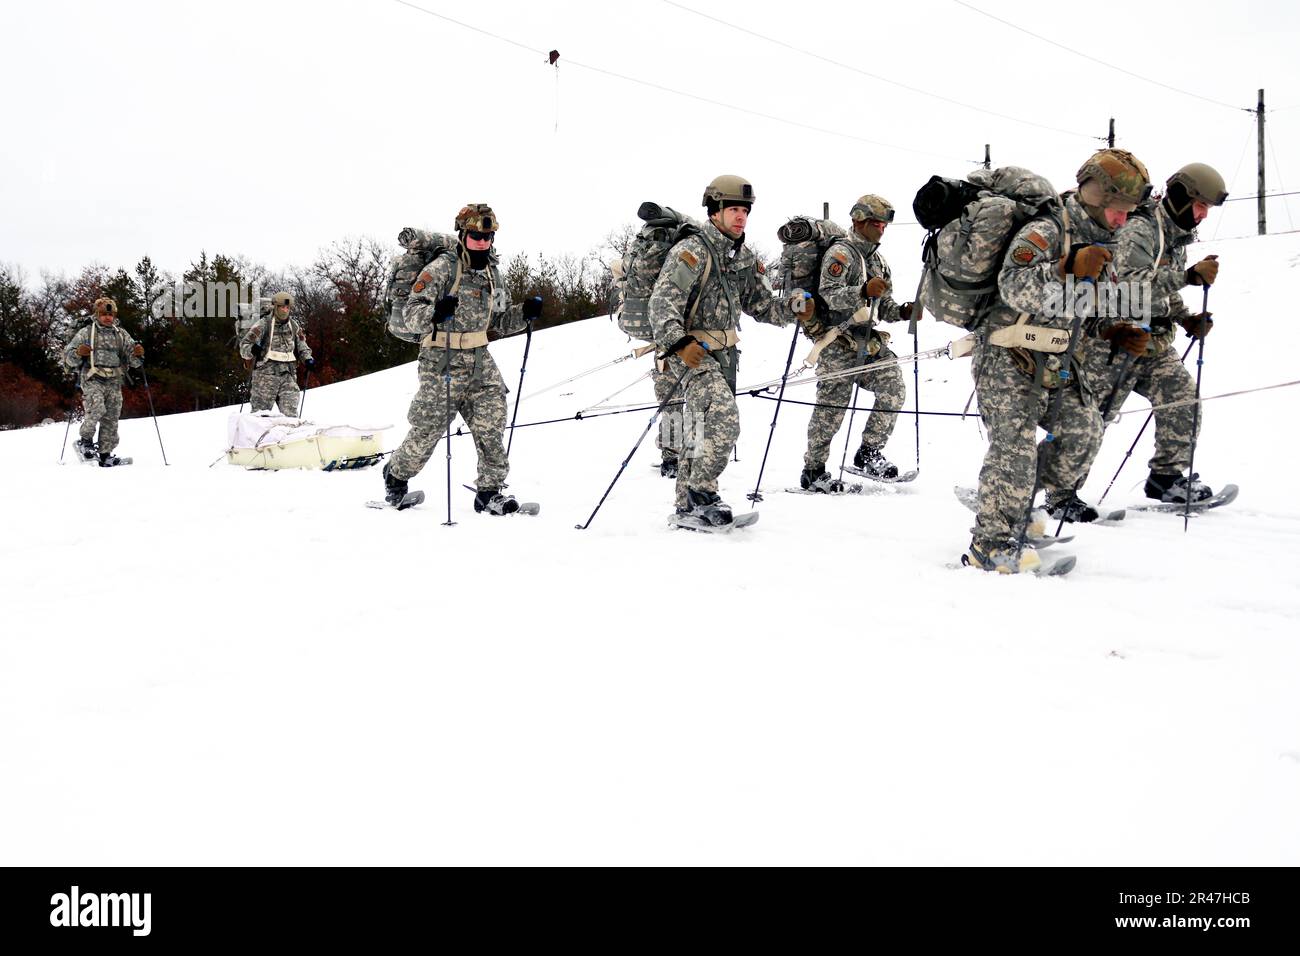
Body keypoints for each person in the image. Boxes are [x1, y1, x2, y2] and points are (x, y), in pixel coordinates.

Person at [968, 149, 1151, 571]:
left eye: (1128, 212)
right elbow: (1013, 287)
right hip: (1007, 352)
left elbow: (1093, 303)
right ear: (1094, 197)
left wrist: (1114, 329)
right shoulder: (1048, 229)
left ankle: (1010, 502)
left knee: (1084, 432)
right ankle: (990, 545)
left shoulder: (1106, 242)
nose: (1124, 219)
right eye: (1117, 210)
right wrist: (1063, 267)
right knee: (1013, 450)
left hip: (1057, 358)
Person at [1053, 162, 1227, 517]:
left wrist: (1185, 316)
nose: (1203, 215)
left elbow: (1161, 285)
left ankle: (1166, 477)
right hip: (1114, 338)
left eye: (1207, 209)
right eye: (1200, 205)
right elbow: (1132, 285)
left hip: (1153, 341)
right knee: (1092, 419)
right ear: (1181, 198)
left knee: (1181, 397)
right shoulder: (1140, 228)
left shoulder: (1175, 235)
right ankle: (1060, 494)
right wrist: (1189, 276)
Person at [647, 174, 811, 525]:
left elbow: (762, 304)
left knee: (699, 427)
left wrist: (792, 308)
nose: (741, 217)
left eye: (745, 211)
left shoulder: (743, 256)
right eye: (733, 209)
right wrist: (679, 344)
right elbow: (662, 305)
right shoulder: (691, 252)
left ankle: (686, 505)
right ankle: (702, 492)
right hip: (690, 352)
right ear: (715, 211)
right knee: (724, 420)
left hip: (725, 354)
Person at [383, 204, 543, 514]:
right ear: (463, 234)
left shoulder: (493, 274)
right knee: (427, 430)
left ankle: (489, 492)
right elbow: (412, 316)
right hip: (441, 359)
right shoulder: (442, 268)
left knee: (492, 426)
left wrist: (524, 314)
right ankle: (396, 475)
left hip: (480, 361)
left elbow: (498, 321)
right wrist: (435, 312)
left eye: (488, 237)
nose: (483, 242)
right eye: (476, 236)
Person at [799, 194, 914, 491]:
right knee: (831, 408)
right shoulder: (841, 254)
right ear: (859, 221)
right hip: (837, 342)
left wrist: (902, 311)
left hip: (868, 343)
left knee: (893, 386)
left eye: (884, 224)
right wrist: (862, 290)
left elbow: (883, 305)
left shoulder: (878, 261)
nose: (881, 229)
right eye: (876, 223)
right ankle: (813, 469)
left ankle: (869, 452)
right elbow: (828, 294)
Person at [63, 297, 144, 466]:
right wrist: (78, 352)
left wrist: (137, 354)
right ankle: (85, 442)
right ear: (97, 314)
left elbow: (134, 361)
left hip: (114, 379)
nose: (107, 317)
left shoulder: (120, 333)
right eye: (104, 314)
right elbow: (69, 358)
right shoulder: (86, 332)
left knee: (112, 416)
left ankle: (105, 454)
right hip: (92, 377)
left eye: (110, 314)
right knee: (97, 408)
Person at [239, 291, 313, 415]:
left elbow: (302, 346)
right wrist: (251, 350)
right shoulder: (263, 324)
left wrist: (308, 358)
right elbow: (244, 346)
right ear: (275, 307)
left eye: (287, 307)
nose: (285, 310)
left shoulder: (294, 326)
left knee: (290, 415)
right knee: (260, 416)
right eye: (282, 307)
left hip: (288, 374)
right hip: (266, 376)